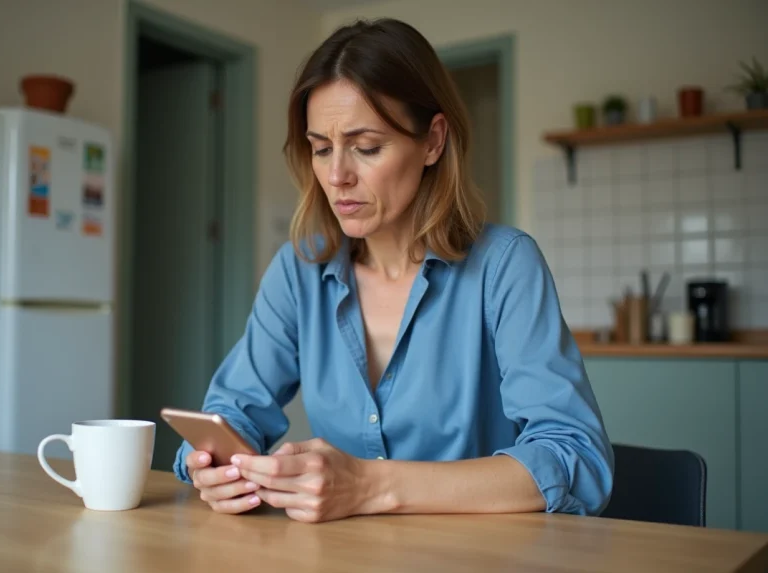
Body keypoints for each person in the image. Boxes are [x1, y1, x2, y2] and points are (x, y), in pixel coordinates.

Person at [173, 18, 614, 524]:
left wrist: (369, 486)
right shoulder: (299, 271)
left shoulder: (505, 266)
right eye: (321, 148)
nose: (336, 176)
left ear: (433, 141)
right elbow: (231, 414)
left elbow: (576, 458)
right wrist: (208, 466)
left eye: (367, 147)